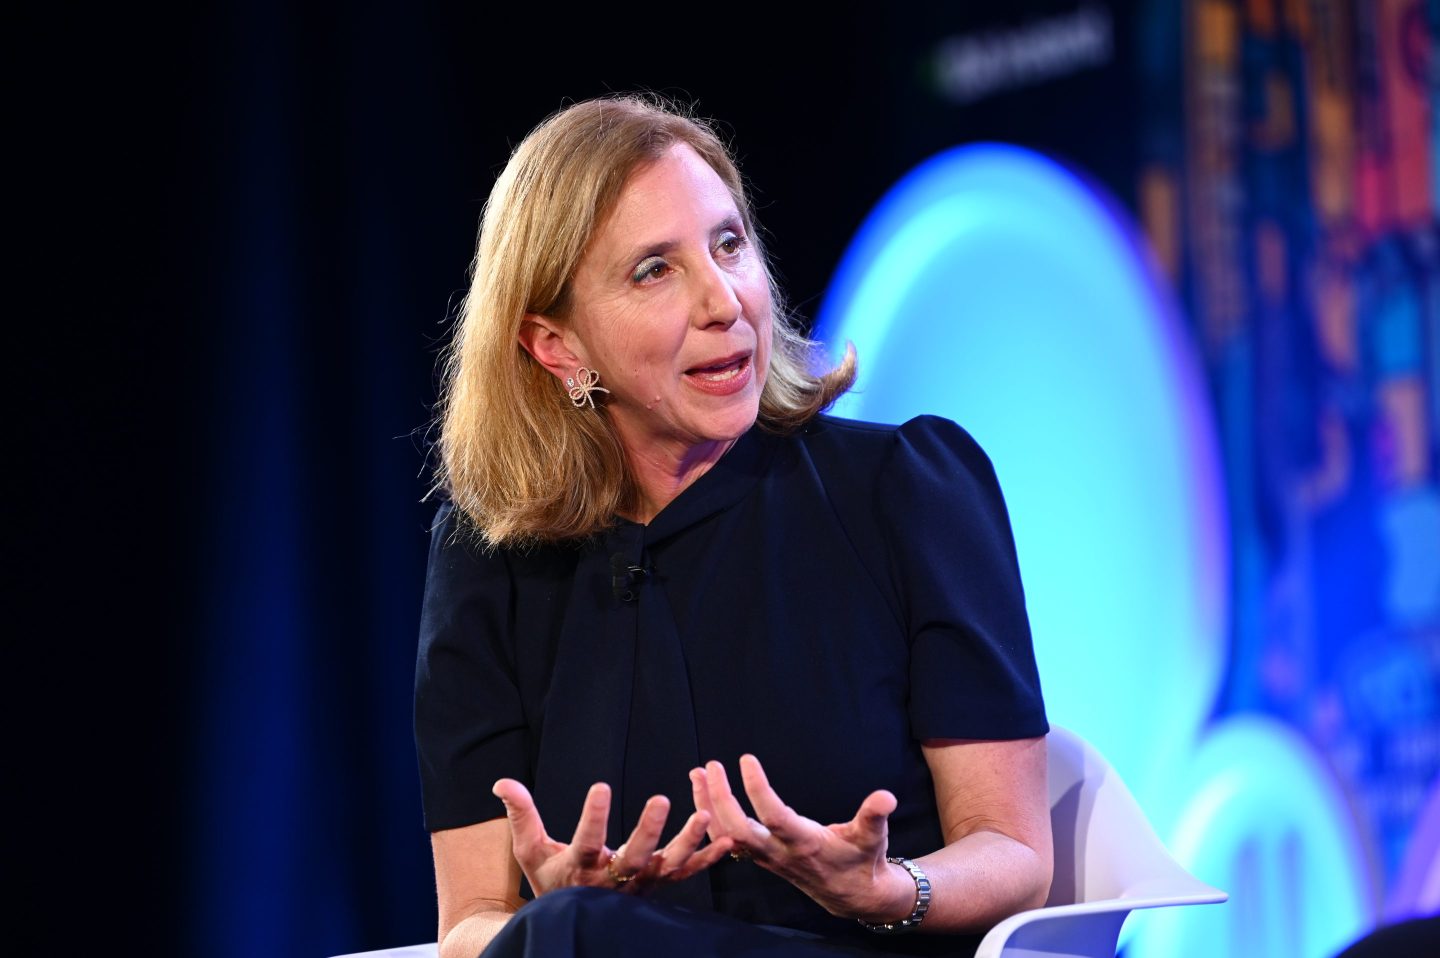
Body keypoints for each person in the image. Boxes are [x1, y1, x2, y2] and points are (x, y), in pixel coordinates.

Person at [415, 94, 1052, 958]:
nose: (725, 300)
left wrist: (884, 888)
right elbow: (466, 925)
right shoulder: (490, 563)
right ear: (556, 346)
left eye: (729, 244)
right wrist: (536, 923)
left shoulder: (904, 490)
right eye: (655, 270)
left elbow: (1015, 854)